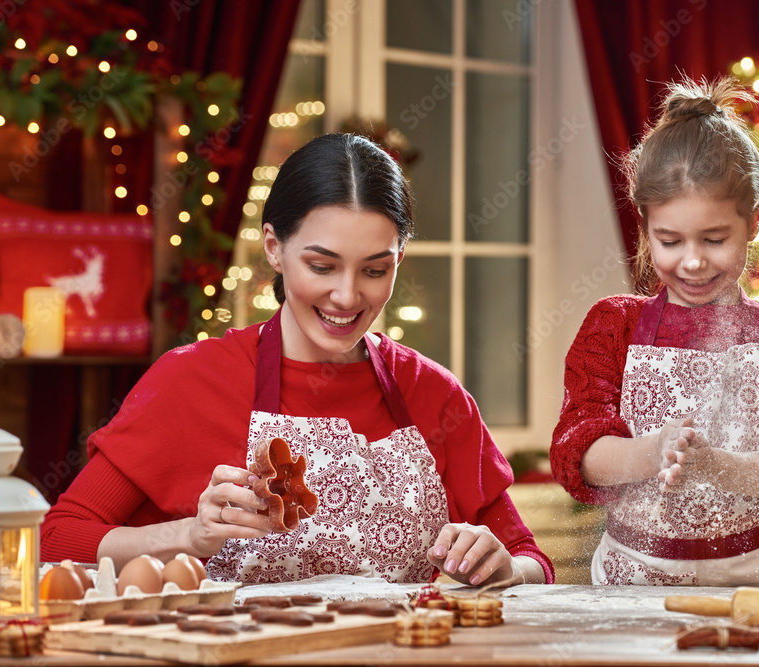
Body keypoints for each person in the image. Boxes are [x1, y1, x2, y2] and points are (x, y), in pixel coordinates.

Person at [42, 132, 554, 587]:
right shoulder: (189, 380)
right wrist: (191, 537)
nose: (347, 296)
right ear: (273, 247)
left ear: (397, 260)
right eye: (321, 265)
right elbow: (58, 539)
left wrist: (503, 567)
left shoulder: (434, 394)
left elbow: (530, 559)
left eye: (374, 270)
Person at [549, 76, 759, 587]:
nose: (691, 261)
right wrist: (653, 450)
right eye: (669, 240)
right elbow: (579, 454)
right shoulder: (613, 327)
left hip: (753, 582)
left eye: (714, 238)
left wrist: (714, 465)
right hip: (630, 584)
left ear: (753, 222)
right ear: (644, 227)